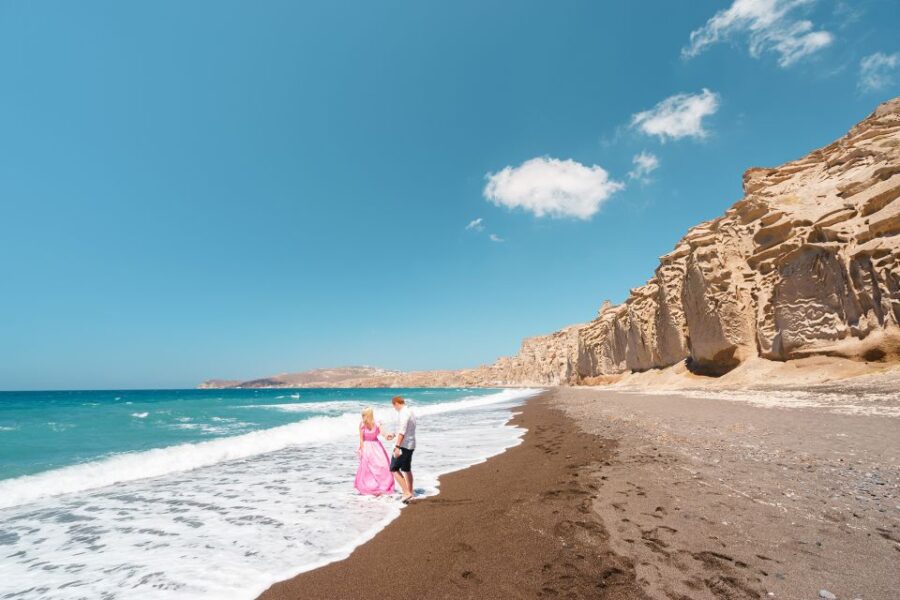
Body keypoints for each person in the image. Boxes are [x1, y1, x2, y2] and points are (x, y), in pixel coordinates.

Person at [353, 407, 394, 496]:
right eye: (362, 414)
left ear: (369, 415)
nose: (362, 416)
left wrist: (388, 436)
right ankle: (369, 488)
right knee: (367, 468)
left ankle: (382, 486)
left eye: (364, 415)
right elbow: (361, 439)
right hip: (366, 447)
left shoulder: (377, 424)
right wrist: (361, 450)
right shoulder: (361, 424)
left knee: (383, 465)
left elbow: (383, 433)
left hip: (376, 447)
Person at [385, 395, 416, 503]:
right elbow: (404, 429)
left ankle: (406, 492)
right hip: (411, 444)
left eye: (394, 406)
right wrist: (394, 434)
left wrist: (397, 447)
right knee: (406, 469)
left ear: (396, 403)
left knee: (393, 468)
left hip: (403, 445)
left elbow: (402, 431)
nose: (395, 409)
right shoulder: (410, 411)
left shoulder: (403, 413)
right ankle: (410, 492)